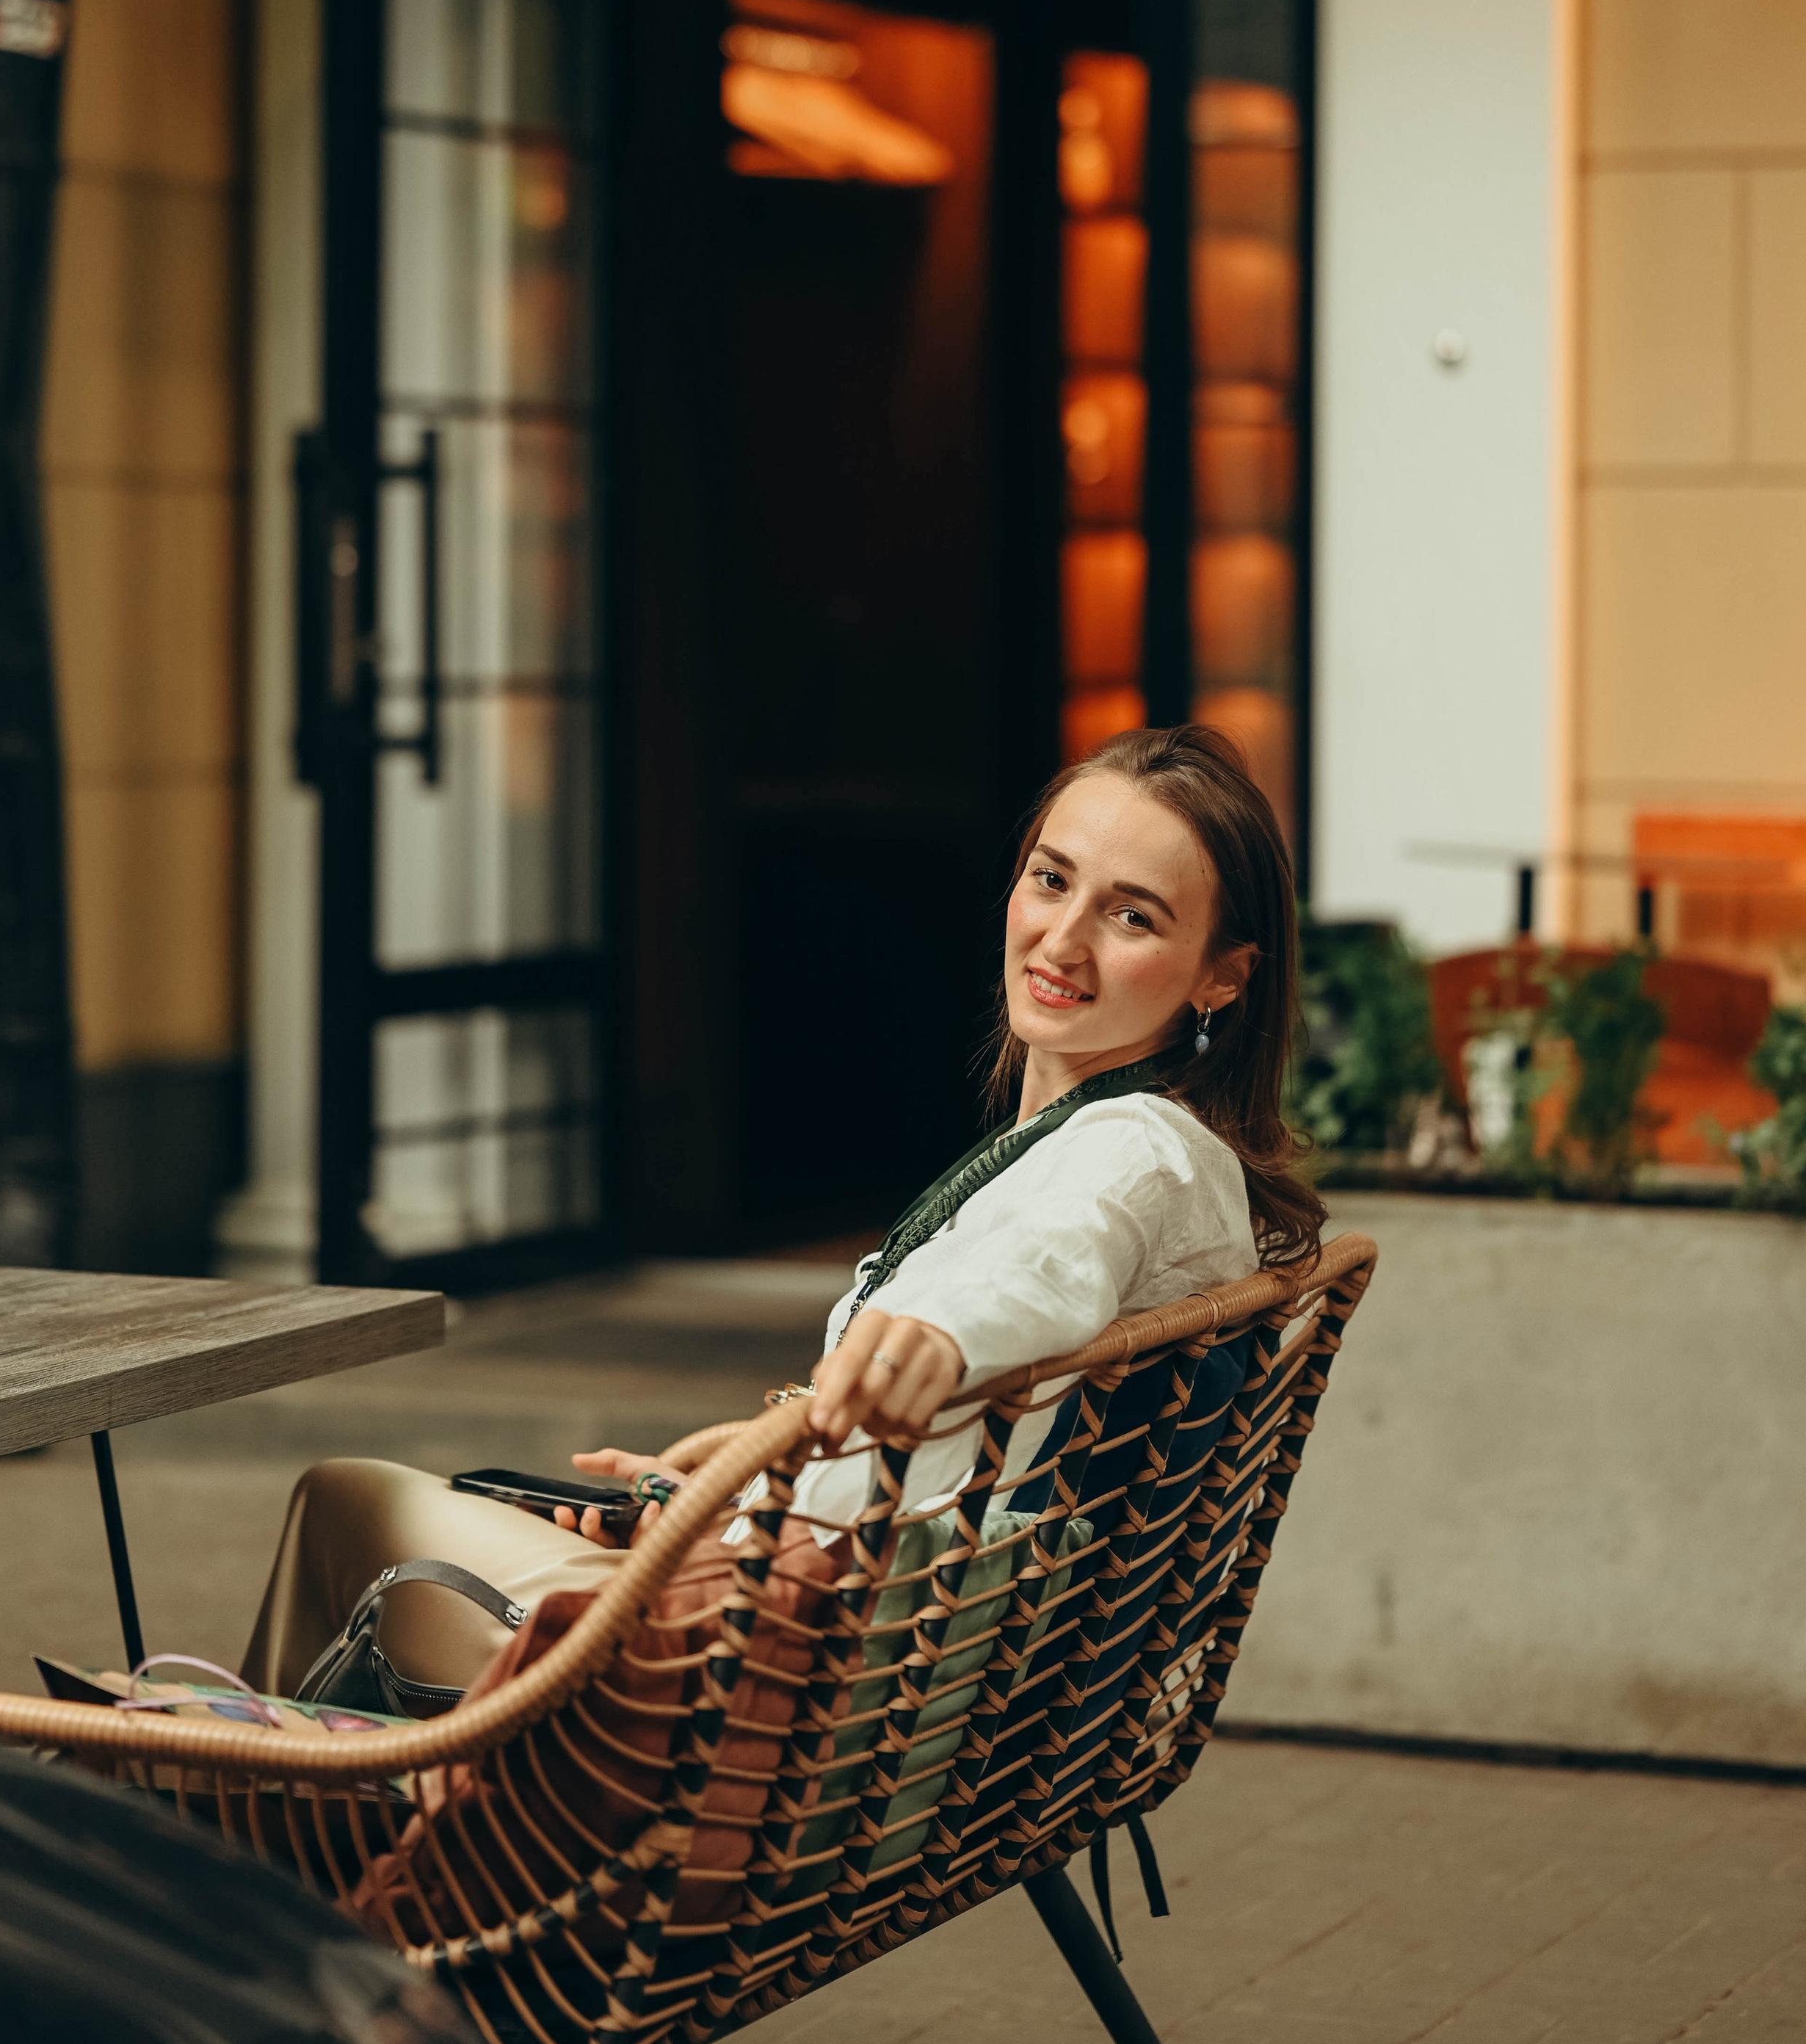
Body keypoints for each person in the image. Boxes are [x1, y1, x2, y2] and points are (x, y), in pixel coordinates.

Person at [239, 725, 1324, 1706]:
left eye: (1132, 915)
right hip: (832, 1636)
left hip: (779, 1683)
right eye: (1052, 880)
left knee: (351, 1505)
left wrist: (942, 1338)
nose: (1063, 939)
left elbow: (1057, 1262)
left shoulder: (1143, 1154)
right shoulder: (1100, 1141)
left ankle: (225, 1864)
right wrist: (721, 1494)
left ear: (1221, 980)